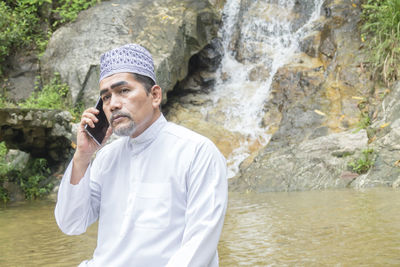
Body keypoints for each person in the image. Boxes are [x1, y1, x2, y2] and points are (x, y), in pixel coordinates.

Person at [54, 43, 228, 267]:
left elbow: (199, 244)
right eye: (106, 98)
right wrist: (82, 156)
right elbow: (71, 224)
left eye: (123, 91)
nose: (114, 104)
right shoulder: (106, 158)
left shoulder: (197, 152)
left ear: (154, 95)